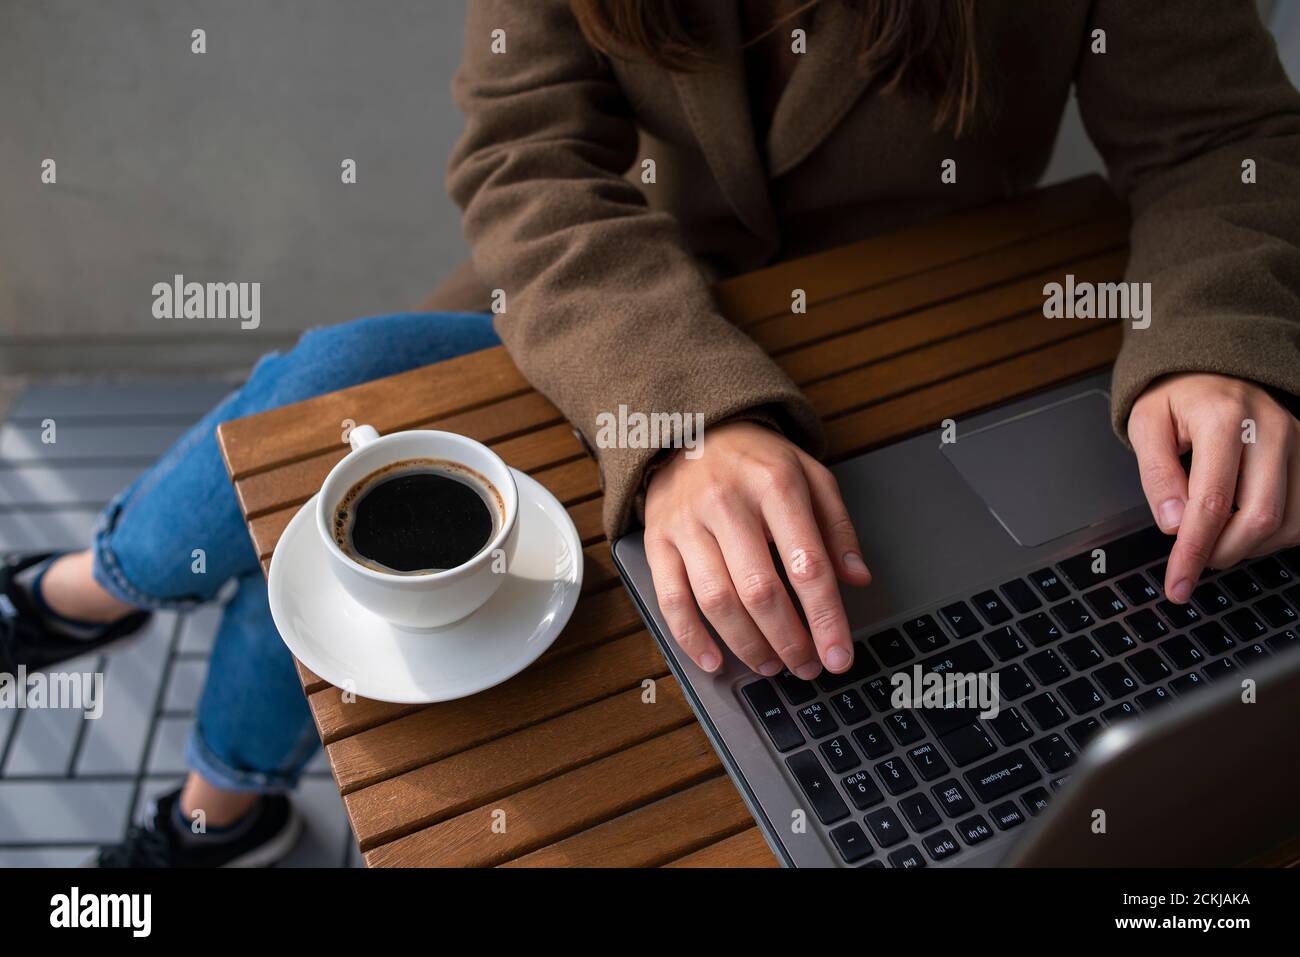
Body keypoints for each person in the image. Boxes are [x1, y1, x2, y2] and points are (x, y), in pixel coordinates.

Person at [3, 0, 1298, 867]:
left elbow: (1227, 134)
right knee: (328, 415)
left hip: (912, 335)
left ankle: (141, 693)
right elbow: (528, 158)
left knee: (334, 446)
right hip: (620, 308)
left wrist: (1214, 336)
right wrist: (678, 415)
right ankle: (126, 642)